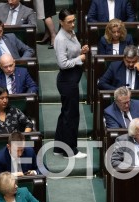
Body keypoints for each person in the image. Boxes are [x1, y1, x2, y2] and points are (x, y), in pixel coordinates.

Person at [53, 8, 89, 159]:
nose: (73, 24)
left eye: (73, 21)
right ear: (61, 22)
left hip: (72, 78)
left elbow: (71, 52)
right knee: (71, 116)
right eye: (69, 22)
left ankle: (58, 147)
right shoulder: (60, 39)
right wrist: (79, 59)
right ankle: (70, 151)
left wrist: (81, 50)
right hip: (67, 80)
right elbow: (63, 63)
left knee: (66, 114)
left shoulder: (70, 33)